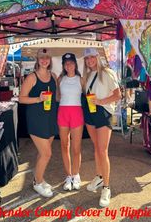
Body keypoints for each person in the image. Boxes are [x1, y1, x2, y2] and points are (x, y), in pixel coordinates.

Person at [83, 48, 121, 207]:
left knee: (102, 150)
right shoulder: (87, 75)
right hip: (90, 112)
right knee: (96, 148)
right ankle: (99, 177)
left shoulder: (107, 72)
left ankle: (106, 187)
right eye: (87, 58)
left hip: (103, 112)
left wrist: (101, 102)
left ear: (97, 57)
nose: (90, 60)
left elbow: (118, 95)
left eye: (92, 57)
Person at [19, 48, 58, 198]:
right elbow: (21, 98)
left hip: (50, 118)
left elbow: (57, 96)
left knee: (42, 153)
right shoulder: (32, 77)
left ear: (50, 60)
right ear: (37, 59)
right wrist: (38, 99)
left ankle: (39, 178)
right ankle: (37, 182)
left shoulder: (53, 76)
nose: (44, 60)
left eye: (47, 57)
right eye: (41, 57)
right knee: (47, 153)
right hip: (36, 119)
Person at [57, 53, 84, 191]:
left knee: (76, 147)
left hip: (77, 113)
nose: (69, 65)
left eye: (71, 62)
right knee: (64, 145)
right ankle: (68, 175)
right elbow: (56, 97)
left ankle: (76, 174)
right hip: (63, 113)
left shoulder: (81, 79)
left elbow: (89, 95)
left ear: (75, 64)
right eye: (66, 63)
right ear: (63, 65)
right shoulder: (60, 79)